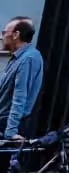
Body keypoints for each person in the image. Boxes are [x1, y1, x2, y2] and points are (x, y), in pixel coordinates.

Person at [0, 19, 43, 148]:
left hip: (9, 125)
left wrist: (11, 132)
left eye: (4, 32)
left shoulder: (28, 59)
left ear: (15, 35)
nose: (2, 37)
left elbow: (20, 97)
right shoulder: (16, 59)